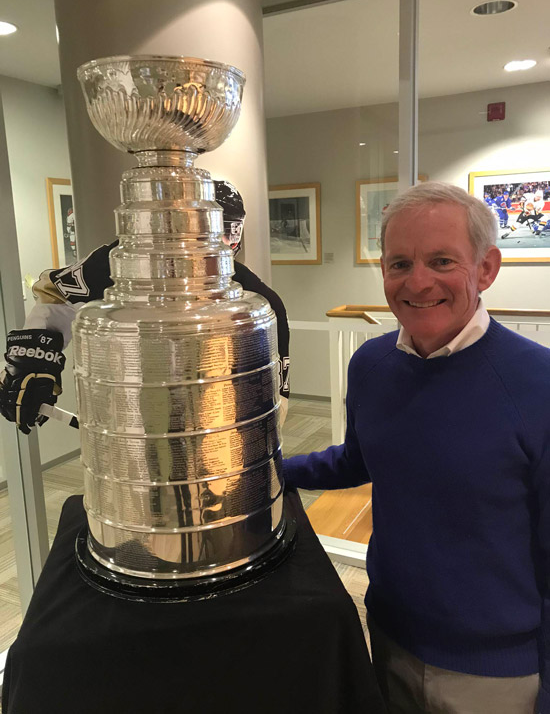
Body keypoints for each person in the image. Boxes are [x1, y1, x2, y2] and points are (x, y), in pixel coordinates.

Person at [284, 181, 550, 714]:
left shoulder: (537, 383)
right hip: (388, 636)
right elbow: (359, 460)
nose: (418, 281)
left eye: (442, 260)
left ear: (486, 269)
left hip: (498, 675)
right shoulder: (373, 366)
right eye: (400, 263)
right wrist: (266, 470)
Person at [0, 181, 290, 434]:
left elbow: (276, 399)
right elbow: (57, 295)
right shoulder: (118, 262)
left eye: (227, 233)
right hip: (132, 417)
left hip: (221, 423)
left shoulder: (261, 300)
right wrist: (31, 363)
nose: (216, 244)